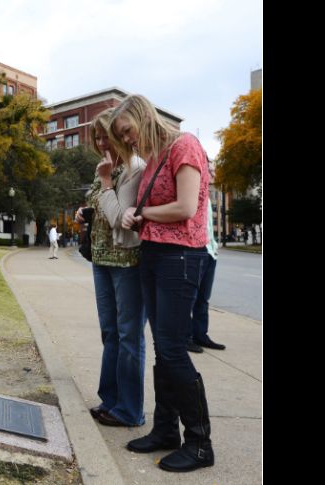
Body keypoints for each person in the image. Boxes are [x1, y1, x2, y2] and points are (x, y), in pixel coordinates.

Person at [112, 94, 215, 472]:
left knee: (172, 349)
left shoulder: (184, 145)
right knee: (162, 348)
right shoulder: (153, 158)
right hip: (154, 254)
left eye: (128, 132)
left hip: (181, 256)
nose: (128, 141)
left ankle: (200, 443)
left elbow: (186, 207)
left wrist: (142, 213)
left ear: (143, 117)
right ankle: (165, 430)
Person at [75, 108, 146, 428]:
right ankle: (111, 400)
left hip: (127, 260)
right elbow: (99, 204)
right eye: (98, 137)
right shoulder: (104, 166)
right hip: (102, 258)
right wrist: (83, 211)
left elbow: (120, 216)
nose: (102, 142)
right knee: (110, 333)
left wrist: (105, 183)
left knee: (129, 336)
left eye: (107, 135)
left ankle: (131, 410)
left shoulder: (134, 167)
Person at [187, 159, 226, 353]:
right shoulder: (193, 192)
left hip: (210, 252)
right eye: (210, 170)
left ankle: (201, 335)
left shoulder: (208, 198)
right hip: (197, 251)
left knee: (203, 298)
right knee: (190, 298)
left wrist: (214, 247)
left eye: (213, 170)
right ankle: (186, 338)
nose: (213, 174)